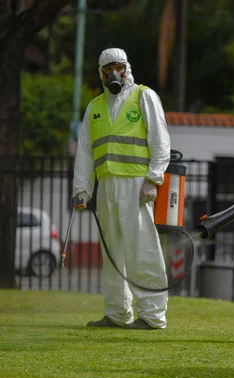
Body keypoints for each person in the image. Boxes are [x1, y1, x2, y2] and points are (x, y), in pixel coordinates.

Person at [73, 48, 171, 330]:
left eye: (118, 66)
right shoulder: (95, 107)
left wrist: (153, 178)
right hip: (106, 187)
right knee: (111, 251)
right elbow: (85, 152)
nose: (114, 73)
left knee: (142, 249)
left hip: (135, 185)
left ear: (126, 68)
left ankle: (152, 316)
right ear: (101, 73)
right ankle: (117, 313)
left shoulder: (144, 96)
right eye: (108, 68)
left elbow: (160, 140)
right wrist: (83, 189)